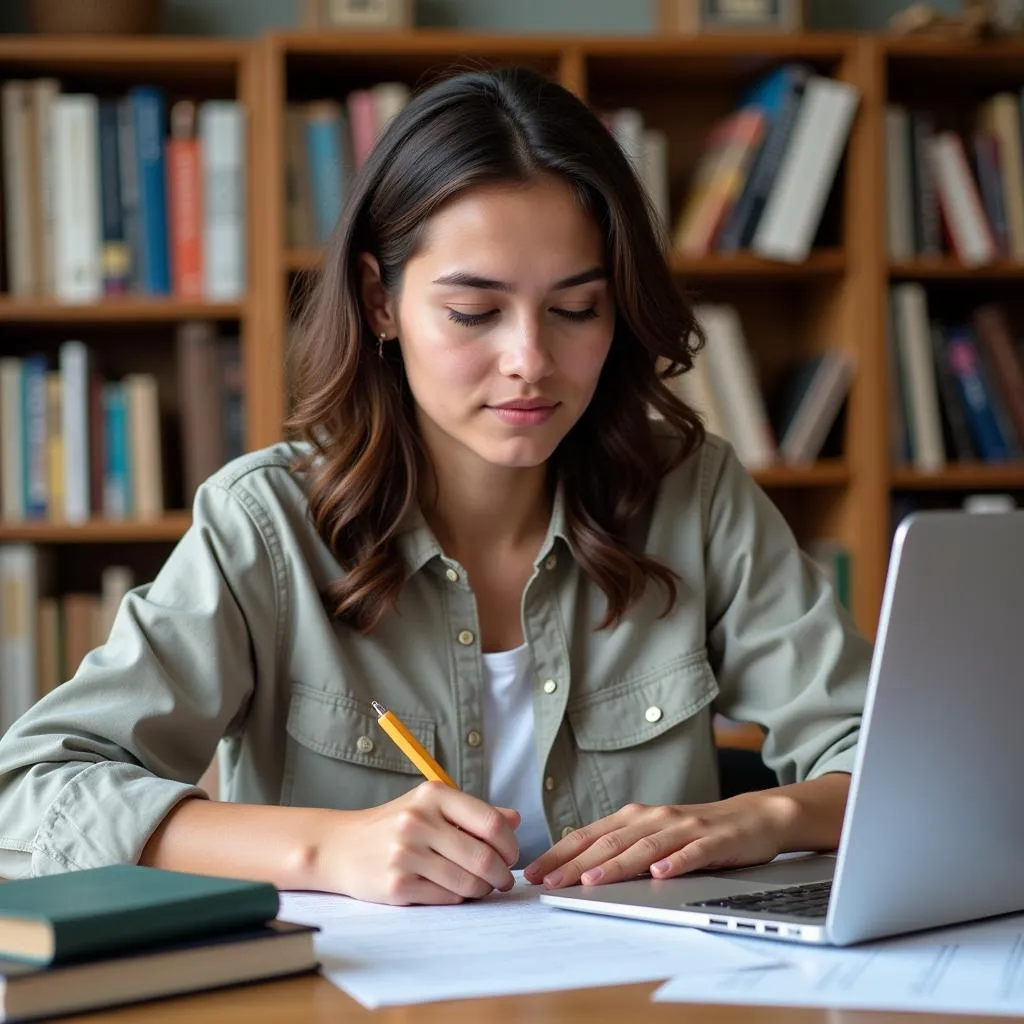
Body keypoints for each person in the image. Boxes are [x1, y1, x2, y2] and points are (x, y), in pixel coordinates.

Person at [0, 66, 870, 906]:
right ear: (381, 302)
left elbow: (890, 753)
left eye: (577, 309)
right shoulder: (264, 525)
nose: (530, 360)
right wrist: (324, 849)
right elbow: (29, 793)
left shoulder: (693, 492)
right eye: (473, 312)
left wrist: (766, 815)